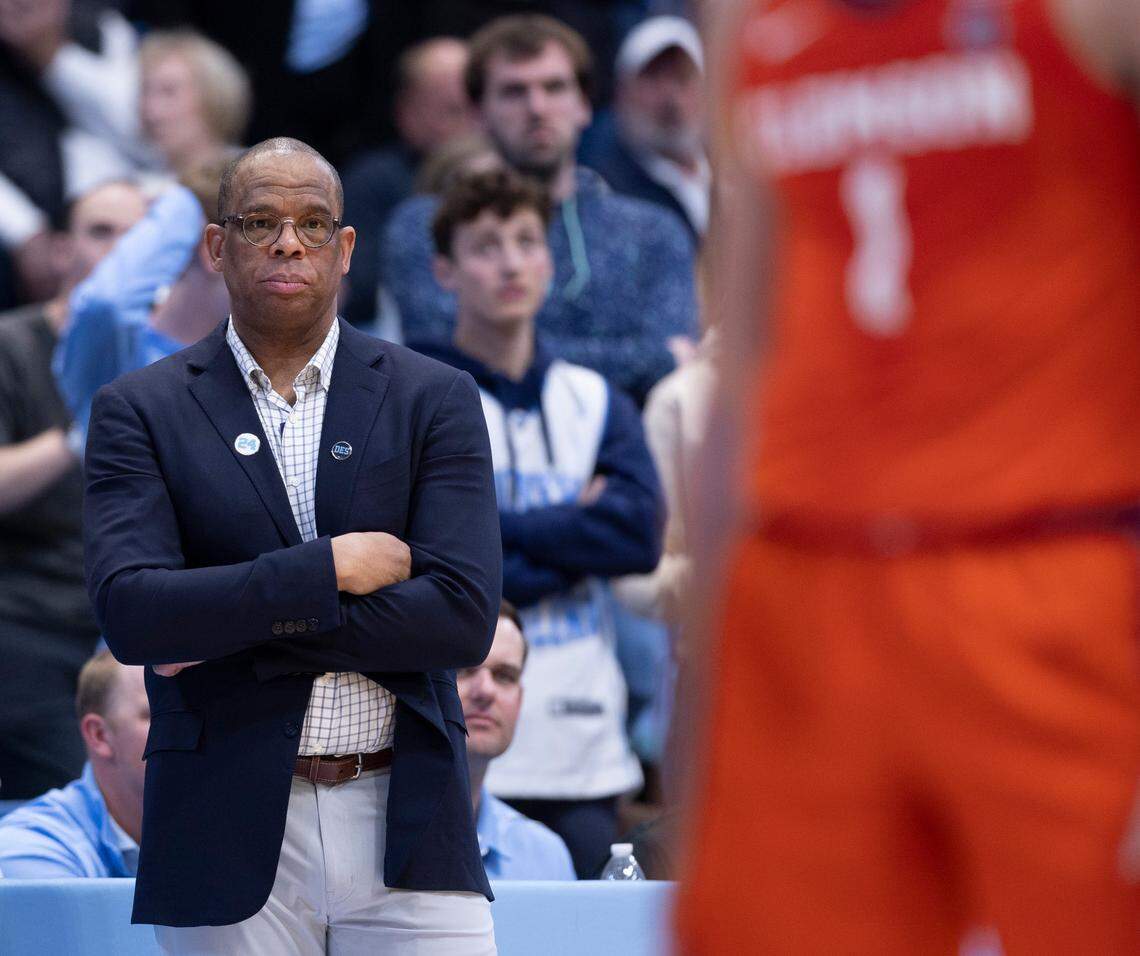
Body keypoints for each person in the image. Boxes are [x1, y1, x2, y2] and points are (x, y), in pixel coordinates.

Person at [676, 1, 1140, 954]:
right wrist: (710, 711)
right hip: (802, 582)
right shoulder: (749, 22)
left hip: (1051, 567)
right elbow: (746, 360)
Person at [83, 137, 502, 953]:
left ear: (346, 250)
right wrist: (331, 570)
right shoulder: (139, 408)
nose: (289, 243)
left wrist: (229, 623)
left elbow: (459, 619)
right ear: (216, 246)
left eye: (314, 224)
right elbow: (136, 617)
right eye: (260, 222)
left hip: (407, 813)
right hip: (219, 818)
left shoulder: (434, 397)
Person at [419, 168, 661, 877]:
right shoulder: (415, 396)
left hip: (580, 748)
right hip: (457, 739)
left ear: (551, 263)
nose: (510, 261)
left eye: (526, 241)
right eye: (486, 245)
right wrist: (573, 528)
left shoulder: (595, 397)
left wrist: (495, 531)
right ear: (444, 270)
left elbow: (639, 535)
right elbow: (425, 551)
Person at [383, 13, 698, 405]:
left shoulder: (654, 232)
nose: (537, 107)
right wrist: (647, 359)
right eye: (514, 91)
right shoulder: (428, 223)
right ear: (478, 114)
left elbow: (678, 373)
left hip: (623, 453)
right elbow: (443, 356)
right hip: (477, 449)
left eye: (554, 87)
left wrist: (505, 348)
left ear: (585, 105)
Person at [0, 177, 146, 799]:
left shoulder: (170, 359)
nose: (119, 247)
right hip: (24, 622)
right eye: (100, 230)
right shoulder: (11, 345)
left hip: (135, 631)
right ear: (62, 251)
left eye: (135, 234)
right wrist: (75, 435)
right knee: (86, 786)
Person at [56, 155, 233, 437]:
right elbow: (107, 303)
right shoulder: (121, 354)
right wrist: (186, 199)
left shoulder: (259, 366)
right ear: (214, 249)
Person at [341, 36, 477, 326]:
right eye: (453, 110)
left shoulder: (514, 175)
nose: (473, 124)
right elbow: (356, 289)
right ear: (406, 111)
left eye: (477, 106)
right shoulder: (373, 180)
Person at [0, 651, 147, 878]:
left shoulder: (216, 831)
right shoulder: (33, 850)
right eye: (159, 714)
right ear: (99, 735)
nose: (191, 730)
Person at [460, 600, 576, 881]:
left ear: (520, 700)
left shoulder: (546, 859)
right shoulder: (367, 841)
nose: (485, 690)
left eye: (504, 676)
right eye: (463, 668)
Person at [579, 16, 709, 241]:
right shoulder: (605, 191)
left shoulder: (737, 172)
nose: (671, 97)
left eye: (682, 77)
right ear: (622, 92)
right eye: (653, 78)